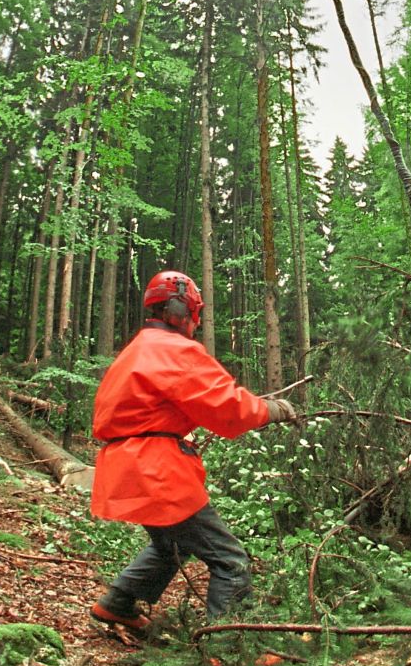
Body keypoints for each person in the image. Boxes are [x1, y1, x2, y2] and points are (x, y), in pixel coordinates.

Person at [90, 269, 297, 633]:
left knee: (170, 545)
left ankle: (117, 603)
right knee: (230, 560)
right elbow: (229, 411)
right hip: (156, 470)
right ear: (183, 311)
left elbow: (185, 402)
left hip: (126, 466)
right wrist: (271, 411)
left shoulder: (136, 350)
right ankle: (230, 647)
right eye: (193, 314)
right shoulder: (177, 351)